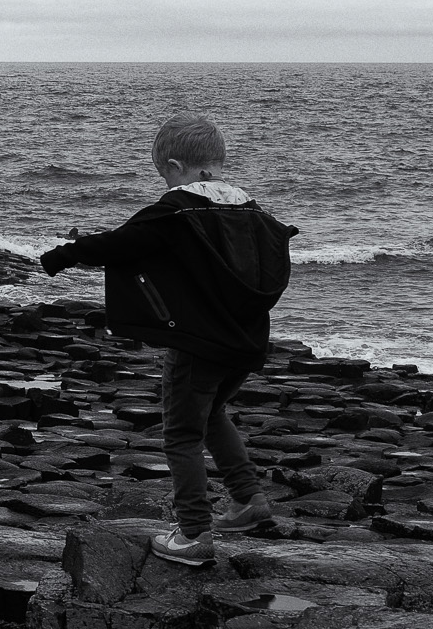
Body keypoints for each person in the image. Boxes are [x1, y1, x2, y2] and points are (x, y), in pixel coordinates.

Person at [38, 112, 299, 565]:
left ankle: (194, 533)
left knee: (181, 433)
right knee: (211, 413)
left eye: (163, 175)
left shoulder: (177, 210)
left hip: (198, 343)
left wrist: (62, 255)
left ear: (176, 167)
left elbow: (121, 243)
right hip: (247, 339)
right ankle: (248, 500)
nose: (165, 183)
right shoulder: (254, 212)